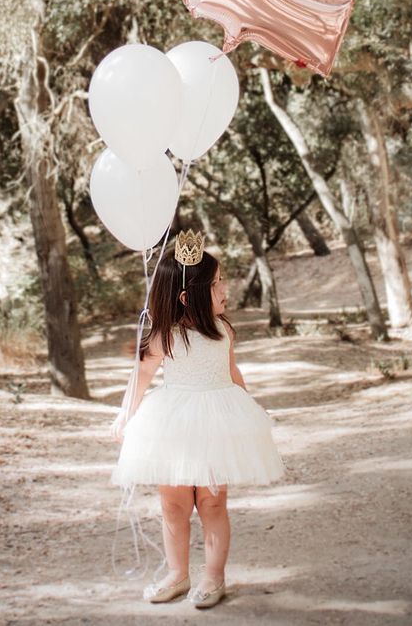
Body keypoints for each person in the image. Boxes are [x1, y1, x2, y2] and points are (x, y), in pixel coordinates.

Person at [112, 229, 284, 609]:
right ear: (189, 297)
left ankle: (213, 576)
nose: (226, 289)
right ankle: (177, 573)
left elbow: (233, 373)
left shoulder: (223, 331)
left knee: (212, 504)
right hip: (171, 428)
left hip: (216, 426)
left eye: (223, 280)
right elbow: (140, 377)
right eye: (218, 282)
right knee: (173, 505)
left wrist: (250, 408)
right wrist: (126, 417)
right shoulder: (165, 336)